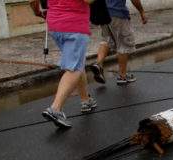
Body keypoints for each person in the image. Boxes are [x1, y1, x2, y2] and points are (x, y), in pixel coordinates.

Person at [30, 0, 98, 129]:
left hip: (55, 24)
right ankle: (55, 109)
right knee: (74, 68)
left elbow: (32, 1)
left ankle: (85, 100)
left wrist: (38, 12)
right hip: (74, 24)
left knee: (77, 63)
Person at [87, 0, 147, 85]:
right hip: (118, 13)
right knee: (123, 44)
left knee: (106, 40)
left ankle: (98, 64)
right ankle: (123, 76)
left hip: (103, 13)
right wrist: (142, 12)